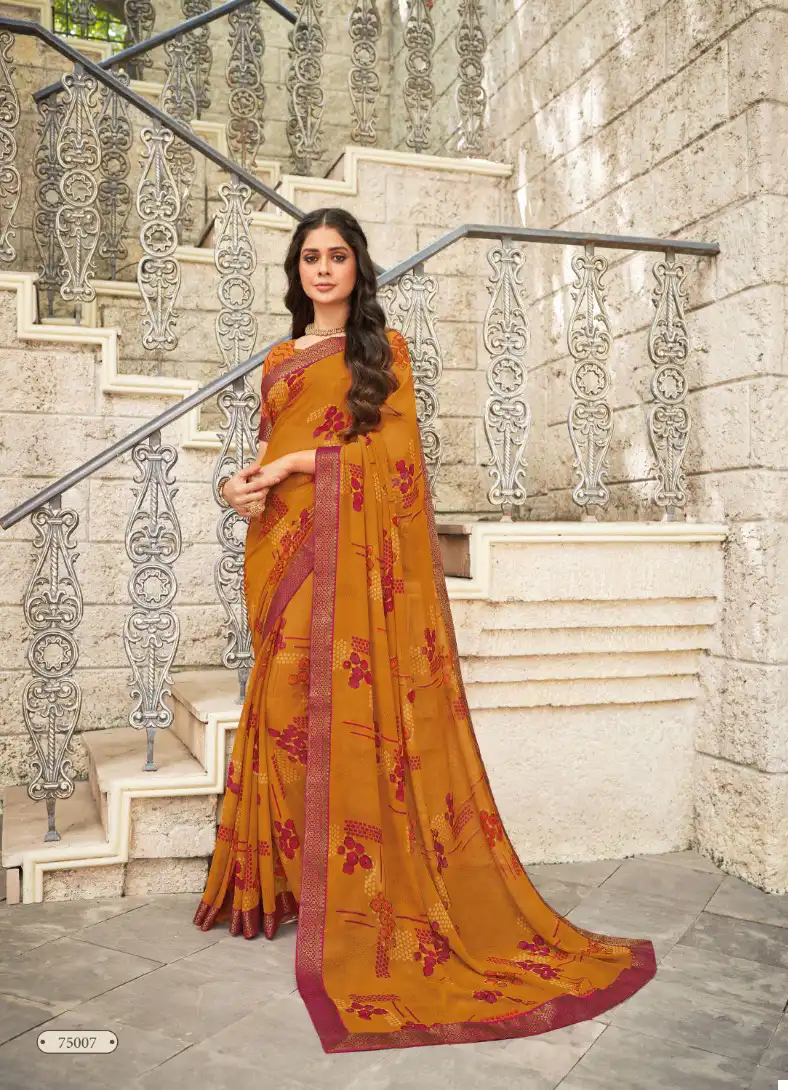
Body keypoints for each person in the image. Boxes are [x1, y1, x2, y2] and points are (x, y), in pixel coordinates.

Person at [193, 206, 656, 1053]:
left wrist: (296, 463)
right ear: (296, 272)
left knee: (338, 715)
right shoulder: (279, 361)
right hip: (282, 548)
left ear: (356, 268)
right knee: (285, 713)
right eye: (309, 257)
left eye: (336, 256)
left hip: (346, 554)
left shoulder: (384, 354)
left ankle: (360, 890)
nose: (322, 269)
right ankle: (292, 883)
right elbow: (267, 450)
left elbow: (395, 462)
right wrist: (239, 486)